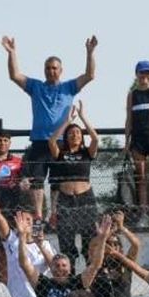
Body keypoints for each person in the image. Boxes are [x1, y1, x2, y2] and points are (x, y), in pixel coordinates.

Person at [2, 34, 97, 216]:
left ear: (61, 70)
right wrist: (12, 52)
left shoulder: (69, 87)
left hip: (62, 144)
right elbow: (14, 75)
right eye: (47, 68)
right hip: (39, 141)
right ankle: (39, 216)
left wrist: (90, 52)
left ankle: (54, 214)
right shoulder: (36, 86)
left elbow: (89, 75)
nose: (50, 71)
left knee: (57, 181)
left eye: (54, 68)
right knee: (36, 181)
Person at [45, 102, 101, 263]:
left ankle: (91, 278)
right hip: (66, 199)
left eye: (78, 133)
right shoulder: (61, 154)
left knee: (90, 237)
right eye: (71, 133)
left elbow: (96, 138)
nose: (74, 135)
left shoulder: (86, 152)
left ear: (82, 137)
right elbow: (51, 141)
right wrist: (68, 122)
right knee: (66, 239)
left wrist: (82, 117)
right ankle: (69, 277)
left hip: (86, 198)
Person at [123, 59, 149, 221]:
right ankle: (144, 213)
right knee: (141, 178)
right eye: (142, 72)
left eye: (147, 72)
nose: (144, 76)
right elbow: (129, 119)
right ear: (137, 74)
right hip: (138, 140)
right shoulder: (132, 95)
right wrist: (126, 142)